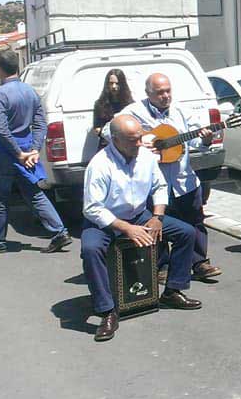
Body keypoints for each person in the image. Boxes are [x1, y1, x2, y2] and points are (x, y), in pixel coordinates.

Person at [82, 115, 202, 341]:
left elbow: (159, 185)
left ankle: (173, 290)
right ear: (115, 140)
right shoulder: (99, 165)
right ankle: (107, 310)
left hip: (140, 215)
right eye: (132, 140)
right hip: (105, 221)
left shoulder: (146, 157)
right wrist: (126, 228)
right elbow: (92, 208)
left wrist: (157, 216)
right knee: (90, 249)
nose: (139, 144)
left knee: (186, 233)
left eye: (139, 138)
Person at [117, 73, 221, 280]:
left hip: (184, 180)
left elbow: (194, 142)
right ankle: (161, 265)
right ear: (148, 93)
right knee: (159, 224)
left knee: (195, 221)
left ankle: (199, 262)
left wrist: (206, 141)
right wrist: (142, 140)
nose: (165, 96)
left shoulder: (182, 111)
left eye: (168, 91)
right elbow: (110, 131)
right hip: (153, 183)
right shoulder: (134, 112)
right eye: (159, 92)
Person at [0, 51, 71, 256]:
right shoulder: (30, 91)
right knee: (34, 193)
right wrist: (34, 150)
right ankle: (59, 231)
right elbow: (39, 123)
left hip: (5, 153)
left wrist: (19, 153)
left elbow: (2, 130)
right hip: (27, 149)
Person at [92, 69, 133, 148]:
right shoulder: (100, 104)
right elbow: (97, 128)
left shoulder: (129, 104)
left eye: (117, 83)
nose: (114, 86)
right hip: (106, 144)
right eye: (111, 83)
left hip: (126, 145)